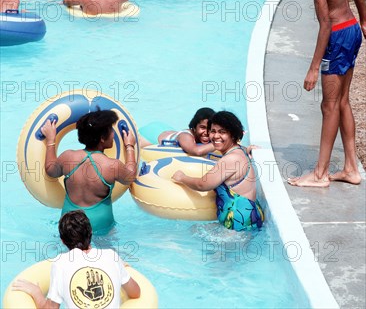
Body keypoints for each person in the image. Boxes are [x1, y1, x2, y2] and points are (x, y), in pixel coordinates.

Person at [272, 0, 366, 187]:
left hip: (337, 36)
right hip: (352, 29)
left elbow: (325, 24)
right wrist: (364, 22)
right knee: (343, 102)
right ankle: (350, 169)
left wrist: (313, 68)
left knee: (329, 105)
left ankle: (320, 173)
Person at [12, 210, 141, 308]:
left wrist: (36, 293)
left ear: (63, 241)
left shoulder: (60, 263)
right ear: (90, 233)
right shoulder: (111, 256)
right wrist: (121, 269)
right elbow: (136, 293)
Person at [40, 109, 138, 233]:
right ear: (102, 138)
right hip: (101, 229)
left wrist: (50, 141)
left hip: (69, 228)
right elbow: (130, 176)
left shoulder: (68, 157)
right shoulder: (111, 166)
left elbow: (50, 170)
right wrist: (130, 147)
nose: (114, 134)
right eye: (111, 130)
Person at [173, 111, 264, 232]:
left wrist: (182, 177)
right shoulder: (239, 151)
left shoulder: (230, 159)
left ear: (233, 134)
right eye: (213, 131)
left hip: (238, 221)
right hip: (248, 215)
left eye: (222, 132)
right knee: (194, 230)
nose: (215, 136)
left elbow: (202, 184)